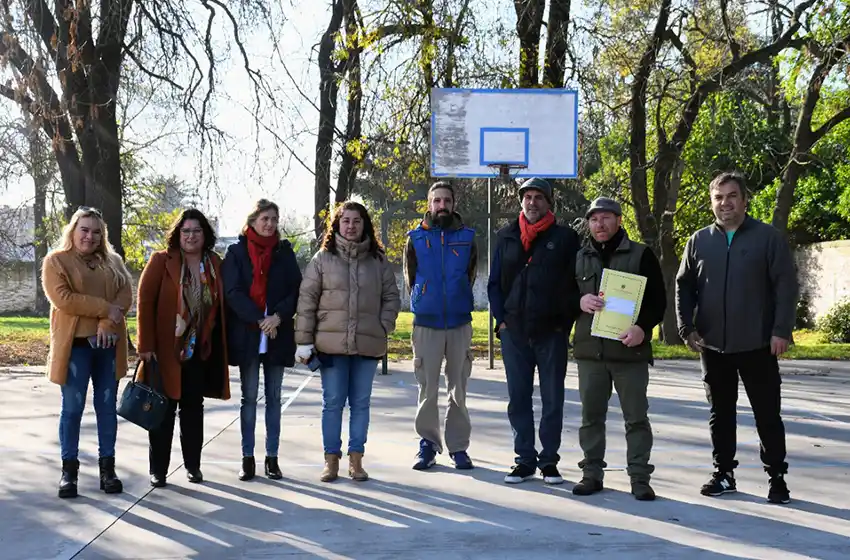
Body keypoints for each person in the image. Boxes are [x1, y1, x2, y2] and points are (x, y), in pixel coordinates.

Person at [676, 171, 798, 505]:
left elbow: (786, 287)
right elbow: (684, 285)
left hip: (758, 343)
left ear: (744, 200)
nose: (725, 203)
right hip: (713, 345)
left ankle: (777, 477)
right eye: (718, 197)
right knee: (721, 413)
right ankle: (724, 473)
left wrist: (781, 330)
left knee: (767, 414)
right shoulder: (699, 240)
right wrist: (687, 327)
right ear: (711, 202)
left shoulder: (767, 238)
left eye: (732, 196)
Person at [567, 197, 666, 501]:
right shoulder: (578, 257)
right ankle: (591, 474)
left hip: (629, 353)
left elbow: (657, 301)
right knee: (591, 418)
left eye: (607, 218)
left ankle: (639, 477)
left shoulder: (641, 255)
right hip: (590, 353)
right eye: (594, 219)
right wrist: (579, 302)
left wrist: (642, 329)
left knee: (636, 418)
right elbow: (563, 295)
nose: (600, 224)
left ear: (619, 220)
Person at [295, 201, 400, 482]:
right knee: (332, 403)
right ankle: (331, 460)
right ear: (337, 225)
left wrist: (383, 325)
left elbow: (392, 296)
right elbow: (306, 302)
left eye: (356, 221)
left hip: (367, 344)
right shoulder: (322, 259)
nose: (351, 226)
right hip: (331, 347)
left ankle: (357, 460)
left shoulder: (378, 261)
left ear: (364, 224)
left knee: (361, 404)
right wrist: (304, 341)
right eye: (346, 221)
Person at [487, 178, 581, 485]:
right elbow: (494, 285)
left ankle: (549, 461)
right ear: (520, 201)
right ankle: (524, 460)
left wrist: (563, 323)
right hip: (514, 332)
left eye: (538, 197)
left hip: (551, 332)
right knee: (519, 398)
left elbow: (574, 285)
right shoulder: (505, 236)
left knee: (552, 398)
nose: (532, 202)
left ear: (548, 203)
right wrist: (501, 323)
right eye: (527, 196)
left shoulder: (566, 238)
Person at [42, 207, 133, 498]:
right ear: (73, 230)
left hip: (108, 347)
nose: (90, 236)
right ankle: (69, 472)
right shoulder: (57, 261)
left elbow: (125, 295)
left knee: (106, 408)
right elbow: (65, 300)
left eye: (96, 231)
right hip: (75, 349)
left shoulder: (113, 262)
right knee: (72, 409)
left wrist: (108, 322)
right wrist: (105, 309)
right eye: (84, 229)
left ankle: (108, 469)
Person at [136, 209, 231, 488]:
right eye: (186, 231)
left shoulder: (214, 263)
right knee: (163, 412)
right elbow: (144, 303)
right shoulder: (160, 261)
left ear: (205, 235)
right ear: (178, 234)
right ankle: (158, 470)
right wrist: (145, 345)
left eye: (197, 231)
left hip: (200, 351)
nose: (191, 236)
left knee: (193, 410)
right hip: (164, 351)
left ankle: (193, 466)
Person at [222, 199, 302, 481]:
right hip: (249, 334)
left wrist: (277, 317)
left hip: (277, 334)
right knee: (249, 397)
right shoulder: (236, 252)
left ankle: (272, 457)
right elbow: (232, 292)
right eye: (264, 218)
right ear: (252, 220)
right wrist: (259, 319)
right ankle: (247, 458)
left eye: (274, 219)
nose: (269, 224)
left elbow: (296, 290)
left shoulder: (284, 252)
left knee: (274, 398)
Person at [403, 182, 478, 471]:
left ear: (453, 203)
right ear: (429, 204)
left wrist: (456, 299)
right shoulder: (416, 238)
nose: (442, 206)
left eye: (447, 200)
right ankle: (428, 445)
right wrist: (425, 300)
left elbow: (470, 275)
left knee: (458, 387)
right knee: (427, 388)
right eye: (437, 201)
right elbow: (411, 277)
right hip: (427, 324)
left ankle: (458, 447)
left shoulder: (468, 237)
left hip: (459, 322)